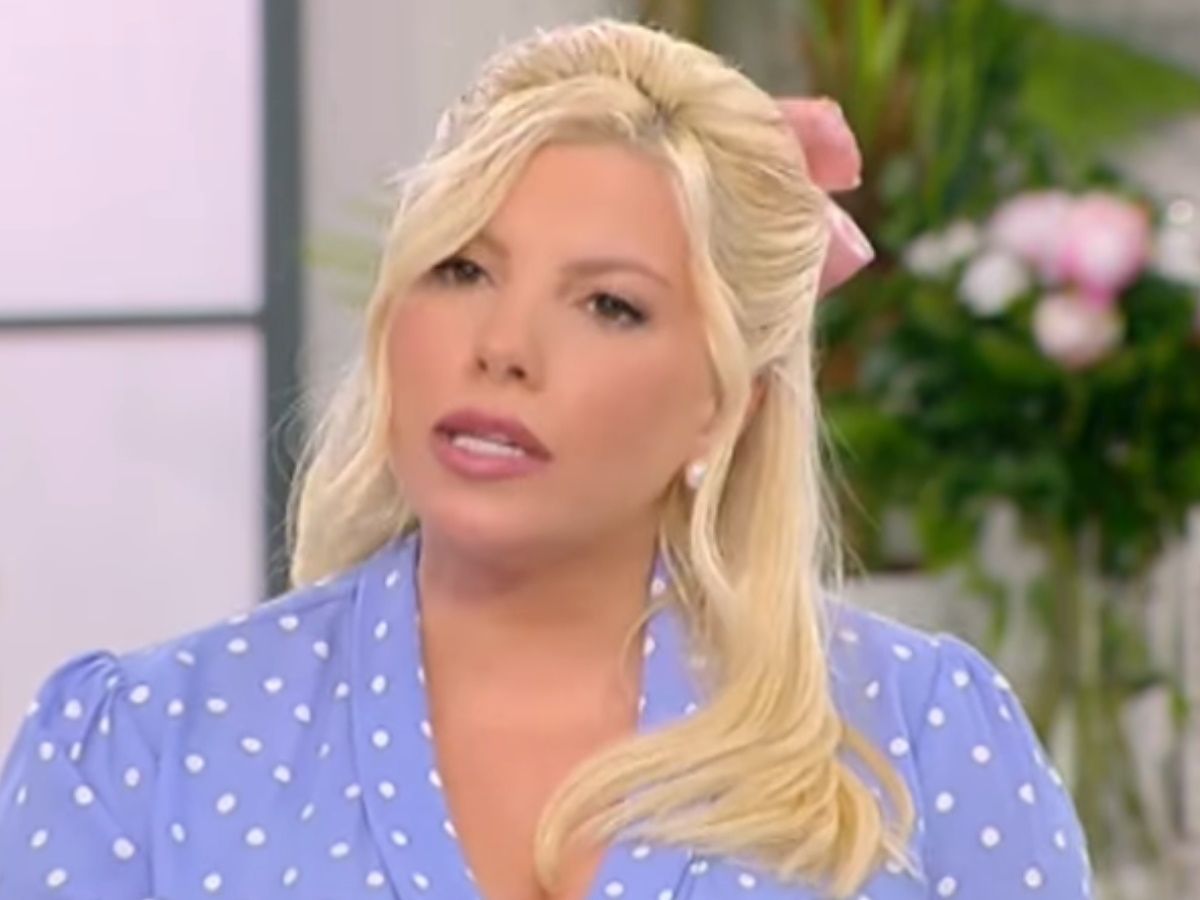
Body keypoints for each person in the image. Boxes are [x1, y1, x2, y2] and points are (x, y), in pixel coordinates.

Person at [0, 19, 1091, 900]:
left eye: (609, 305)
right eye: (462, 270)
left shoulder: (920, 736)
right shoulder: (138, 750)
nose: (503, 346)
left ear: (723, 407)